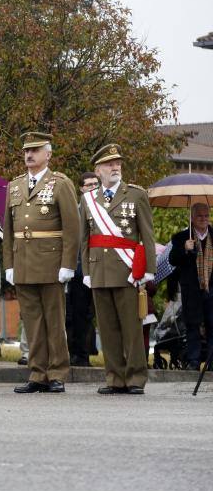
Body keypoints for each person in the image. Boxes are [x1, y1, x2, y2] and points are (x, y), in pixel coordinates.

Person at [3, 132, 79, 393]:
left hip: (50, 263)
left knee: (54, 322)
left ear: (48, 154)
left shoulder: (60, 183)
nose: (29, 155)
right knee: (32, 323)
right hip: (23, 262)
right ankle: (37, 373)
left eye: (35, 150)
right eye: (26, 150)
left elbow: (72, 228)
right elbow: (9, 228)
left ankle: (57, 372)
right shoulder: (15, 186)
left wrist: (68, 264)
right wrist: (9, 265)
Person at [79, 144, 155, 394]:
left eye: (118, 163)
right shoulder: (88, 199)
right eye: (110, 164)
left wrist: (149, 270)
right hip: (99, 271)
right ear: (98, 170)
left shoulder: (135, 195)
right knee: (108, 328)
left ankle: (134, 378)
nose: (115, 167)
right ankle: (114, 377)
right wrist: (87, 273)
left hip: (127, 270)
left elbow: (147, 235)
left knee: (131, 327)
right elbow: (85, 238)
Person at [168, 203, 212, 370]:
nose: (204, 219)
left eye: (206, 216)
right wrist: (185, 249)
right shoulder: (181, 237)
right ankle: (193, 361)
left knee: (212, 325)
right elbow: (172, 260)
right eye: (200, 216)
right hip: (191, 289)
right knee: (192, 325)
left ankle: (210, 362)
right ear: (192, 218)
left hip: (211, 288)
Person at [66, 172, 99, 367]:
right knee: (79, 315)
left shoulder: (106, 210)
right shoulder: (74, 212)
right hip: (80, 272)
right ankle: (79, 354)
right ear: (81, 189)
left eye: (96, 184)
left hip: (102, 269)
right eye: (89, 185)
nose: (93, 188)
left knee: (102, 314)